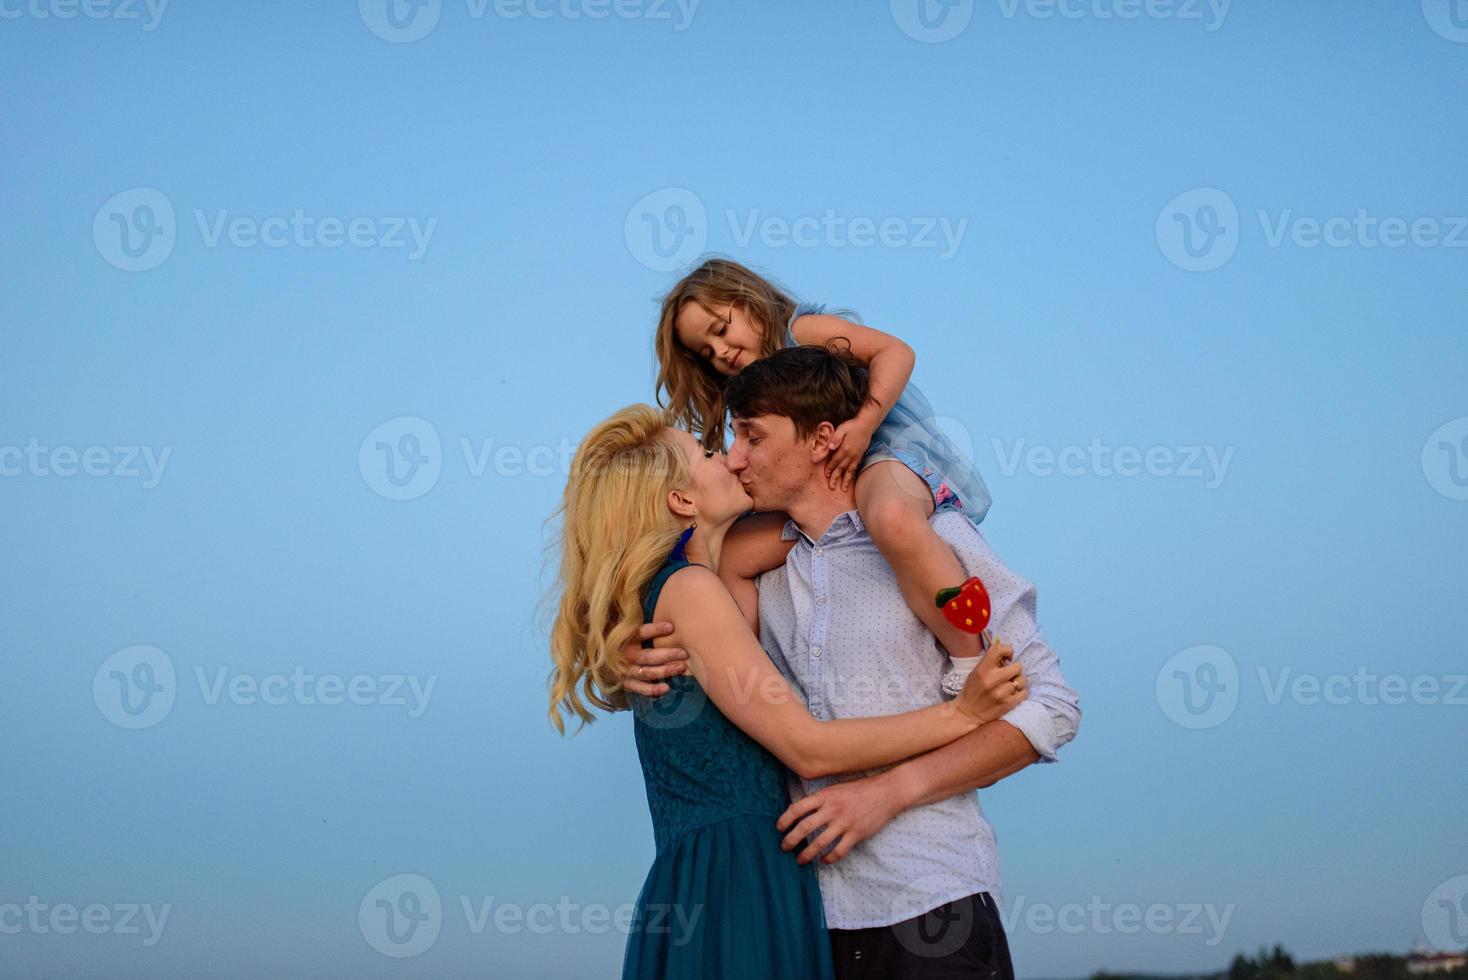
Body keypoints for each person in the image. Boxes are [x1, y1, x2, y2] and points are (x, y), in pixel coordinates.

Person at [622, 345, 1081, 980]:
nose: (734, 457)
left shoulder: (932, 541)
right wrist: (623, 662)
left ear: (822, 440)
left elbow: (1050, 707)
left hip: (932, 903)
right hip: (809, 924)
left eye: (752, 436)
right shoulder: (753, 576)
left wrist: (889, 793)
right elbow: (701, 675)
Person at [546, 403, 1029, 979]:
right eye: (707, 455)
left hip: (725, 873)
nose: (729, 457)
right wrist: (963, 714)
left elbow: (816, 520)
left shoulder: (701, 586)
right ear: (682, 500)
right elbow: (809, 748)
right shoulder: (691, 590)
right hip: (736, 879)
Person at [655, 257, 995, 696]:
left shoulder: (804, 331)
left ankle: (969, 657)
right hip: (827, 485)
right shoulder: (754, 398)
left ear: (750, 304)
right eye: (706, 351)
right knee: (733, 554)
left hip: (885, 454)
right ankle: (750, 680)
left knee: (890, 516)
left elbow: (896, 352)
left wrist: (865, 424)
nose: (719, 352)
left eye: (721, 330)